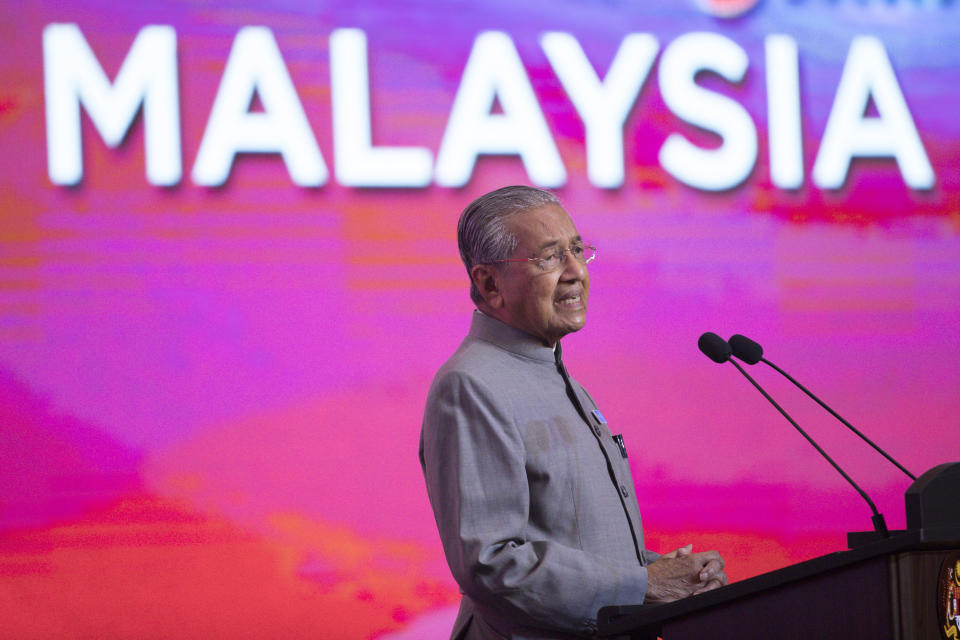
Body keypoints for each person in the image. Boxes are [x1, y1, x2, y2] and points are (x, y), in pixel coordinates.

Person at [420, 186, 727, 640]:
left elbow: (574, 539)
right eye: (549, 258)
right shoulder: (471, 386)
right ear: (489, 284)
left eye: (577, 250)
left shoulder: (555, 373)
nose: (575, 272)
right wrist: (643, 586)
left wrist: (668, 572)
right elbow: (492, 564)